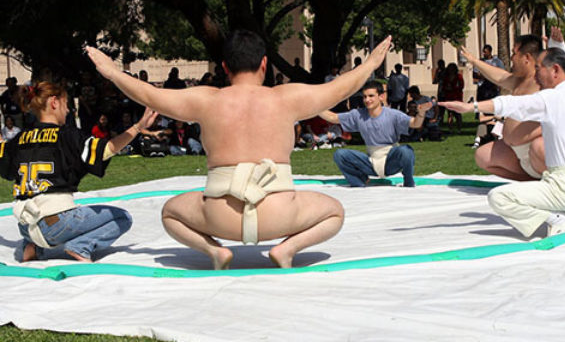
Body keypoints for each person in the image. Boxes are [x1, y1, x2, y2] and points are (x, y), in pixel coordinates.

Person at [86, 30, 392, 269]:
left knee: (170, 213)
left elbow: (149, 94)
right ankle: (286, 248)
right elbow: (339, 88)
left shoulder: (206, 100)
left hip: (221, 218)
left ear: (224, 67)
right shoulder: (286, 98)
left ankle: (215, 250)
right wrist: (370, 64)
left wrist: (112, 72)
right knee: (334, 212)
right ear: (264, 64)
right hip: (280, 215)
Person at [440, 48, 565, 238]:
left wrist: (471, 107)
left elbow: (512, 104)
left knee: (499, 197)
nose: (536, 73)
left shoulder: (552, 98)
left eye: (539, 68)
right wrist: (560, 44)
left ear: (555, 70)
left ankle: (557, 217)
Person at [0, 81, 158, 262]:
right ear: (54, 102)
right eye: (66, 105)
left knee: (45, 220)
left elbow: (2, 159)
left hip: (25, 225)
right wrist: (138, 127)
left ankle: (33, 246)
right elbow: (107, 149)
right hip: (56, 222)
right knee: (122, 218)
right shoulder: (67, 135)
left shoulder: (19, 138)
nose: (68, 111)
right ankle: (80, 246)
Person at [460, 28, 565, 181]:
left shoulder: (546, 82)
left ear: (526, 57)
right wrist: (474, 61)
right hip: (515, 152)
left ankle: (556, 183)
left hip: (540, 151)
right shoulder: (518, 81)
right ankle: (531, 182)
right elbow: (499, 77)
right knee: (482, 156)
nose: (511, 58)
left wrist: (559, 46)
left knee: (538, 146)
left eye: (514, 53)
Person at [318, 80, 431, 187]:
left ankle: (409, 183)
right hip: (370, 161)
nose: (367, 100)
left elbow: (415, 124)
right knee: (340, 154)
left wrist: (421, 113)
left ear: (381, 97)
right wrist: (314, 106)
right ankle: (360, 181)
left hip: (391, 161)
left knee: (406, 151)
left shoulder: (393, 115)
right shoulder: (358, 115)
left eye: (371, 96)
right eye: (365, 97)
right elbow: (333, 117)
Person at [440, 63, 464, 134]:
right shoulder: (446, 77)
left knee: (458, 114)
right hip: (449, 97)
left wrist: (453, 88)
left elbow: (461, 86)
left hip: (457, 97)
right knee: (450, 114)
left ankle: (459, 129)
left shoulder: (459, 77)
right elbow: (443, 87)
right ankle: (450, 129)